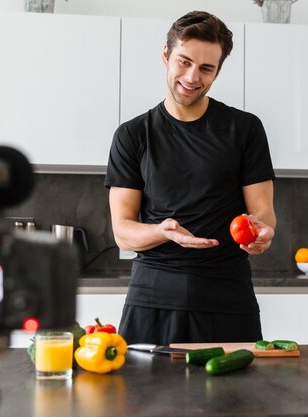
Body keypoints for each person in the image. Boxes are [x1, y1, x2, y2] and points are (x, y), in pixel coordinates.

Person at [105, 10, 276, 345]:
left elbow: (263, 211)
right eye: (184, 62)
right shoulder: (132, 135)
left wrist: (262, 232)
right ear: (166, 55)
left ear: (218, 71)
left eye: (206, 68)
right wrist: (162, 231)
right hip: (152, 299)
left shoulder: (245, 129)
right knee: (146, 397)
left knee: (237, 398)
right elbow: (122, 232)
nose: (192, 76)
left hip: (228, 298)